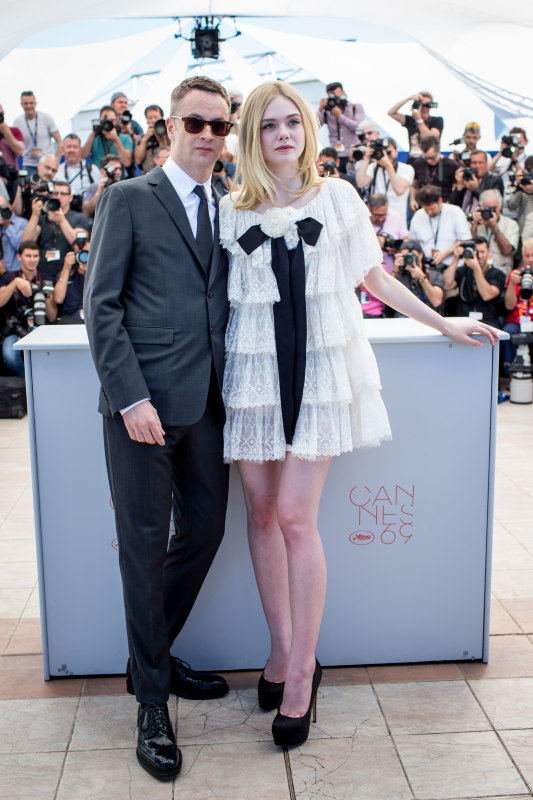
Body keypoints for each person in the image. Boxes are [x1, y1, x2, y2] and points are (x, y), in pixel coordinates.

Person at [219, 80, 498, 751]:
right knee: (258, 514)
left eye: (293, 122)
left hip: (319, 371)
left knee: (293, 517)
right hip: (254, 373)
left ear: (308, 130)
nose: (283, 134)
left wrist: (442, 322)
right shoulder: (230, 209)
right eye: (268, 126)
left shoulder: (338, 197)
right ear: (251, 137)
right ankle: (283, 653)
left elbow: (373, 279)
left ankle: (300, 679)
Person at [85, 75, 234, 783]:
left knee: (205, 530)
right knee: (141, 553)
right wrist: (129, 397)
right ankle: (151, 701)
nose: (209, 135)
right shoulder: (129, 199)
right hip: (141, 409)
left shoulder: (225, 207)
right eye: (197, 123)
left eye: (220, 126)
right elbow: (101, 306)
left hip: (206, 405)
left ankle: (151, 653)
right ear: (170, 127)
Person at [0, 240, 55, 375]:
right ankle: (26, 381)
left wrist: (46, 297)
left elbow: (52, 316)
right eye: (28, 256)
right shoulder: (9, 277)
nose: (32, 260)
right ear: (19, 257)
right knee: (9, 355)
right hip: (16, 329)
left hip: (41, 329)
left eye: (35, 256)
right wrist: (15, 284)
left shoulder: (46, 278)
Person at [22, 180, 90, 280]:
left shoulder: (79, 218)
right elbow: (26, 242)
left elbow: (80, 245)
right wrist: (35, 215)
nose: (59, 197)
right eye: (55, 193)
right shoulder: (42, 218)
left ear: (70, 197)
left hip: (69, 273)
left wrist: (62, 221)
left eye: (63, 194)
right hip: (43, 271)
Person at [444, 237, 505, 328]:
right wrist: (456, 258)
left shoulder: (497, 274)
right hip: (464, 320)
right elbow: (447, 285)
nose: (479, 256)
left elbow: (487, 295)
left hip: (487, 322)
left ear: (488, 252)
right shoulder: (464, 270)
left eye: (482, 252)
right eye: (476, 252)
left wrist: (476, 269)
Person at [409, 185, 471, 269]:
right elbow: (413, 242)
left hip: (451, 265)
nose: (429, 213)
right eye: (426, 210)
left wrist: (445, 253)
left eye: (432, 209)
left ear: (440, 201)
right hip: (426, 265)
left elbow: (465, 239)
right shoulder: (418, 216)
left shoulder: (455, 212)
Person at [355, 137, 414, 220]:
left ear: (396, 152)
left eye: (389, 152)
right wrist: (366, 159)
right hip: (377, 218)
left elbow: (399, 190)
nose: (385, 155)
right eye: (383, 152)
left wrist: (388, 166)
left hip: (397, 219)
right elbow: (360, 183)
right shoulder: (374, 167)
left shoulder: (407, 169)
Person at [469, 189, 519, 276]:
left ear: (500, 207)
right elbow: (469, 247)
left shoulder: (511, 224)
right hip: (479, 272)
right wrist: (474, 224)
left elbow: (507, 251)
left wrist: (495, 228)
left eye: (493, 208)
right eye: (487, 209)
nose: (490, 212)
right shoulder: (478, 224)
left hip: (501, 271)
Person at [318, 81, 365, 173]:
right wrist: (320, 109)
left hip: (352, 154)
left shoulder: (355, 107)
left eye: (336, 94)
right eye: (331, 95)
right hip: (335, 155)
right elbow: (315, 126)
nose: (335, 98)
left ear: (343, 93)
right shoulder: (327, 111)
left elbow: (359, 127)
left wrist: (339, 116)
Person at [501, 240, 533, 371]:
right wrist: (513, 283)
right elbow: (509, 305)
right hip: (517, 321)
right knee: (507, 334)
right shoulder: (516, 274)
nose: (531, 259)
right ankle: (510, 375)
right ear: (522, 256)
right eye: (527, 256)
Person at [12, 91, 62, 174]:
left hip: (47, 164)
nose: (29, 106)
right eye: (26, 103)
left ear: (35, 103)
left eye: (31, 103)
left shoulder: (46, 118)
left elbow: (59, 140)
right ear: (21, 104)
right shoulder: (17, 122)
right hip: (29, 165)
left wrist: (57, 161)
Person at [387, 91, 443, 161]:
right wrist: (409, 98)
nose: (424, 108)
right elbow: (391, 113)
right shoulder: (411, 121)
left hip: (430, 161)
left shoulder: (437, 120)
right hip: (413, 161)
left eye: (427, 105)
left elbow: (432, 138)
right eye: (421, 105)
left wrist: (419, 120)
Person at [392, 240, 444, 312]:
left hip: (427, 316)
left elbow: (436, 301)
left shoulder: (434, 274)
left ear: (421, 255)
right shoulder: (398, 274)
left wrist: (422, 278)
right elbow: (388, 296)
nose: (409, 259)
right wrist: (395, 270)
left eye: (412, 256)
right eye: (406, 256)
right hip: (403, 316)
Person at [80, 105, 133, 173]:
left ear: (117, 120)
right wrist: (94, 133)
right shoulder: (95, 138)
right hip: (98, 178)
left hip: (118, 179)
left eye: (111, 120)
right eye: (105, 120)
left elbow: (127, 162)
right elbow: (82, 157)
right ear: (100, 120)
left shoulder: (125, 138)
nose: (108, 123)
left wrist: (116, 140)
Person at [450, 150, 504, 215]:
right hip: (463, 217)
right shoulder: (465, 177)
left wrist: (475, 189)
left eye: (480, 162)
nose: (477, 166)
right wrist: (459, 186)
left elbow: (492, 204)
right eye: (474, 163)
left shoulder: (495, 179)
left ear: (486, 163)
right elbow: (453, 205)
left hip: (482, 220)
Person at [411, 135, 457, 210]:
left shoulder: (451, 165)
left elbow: (456, 188)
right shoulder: (418, 163)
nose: (429, 161)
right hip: (422, 206)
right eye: (426, 158)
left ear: (438, 151)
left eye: (432, 157)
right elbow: (414, 186)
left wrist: (451, 202)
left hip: (443, 206)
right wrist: (412, 200)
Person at [55, 134, 101, 202]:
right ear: (62, 149)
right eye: (69, 147)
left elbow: (100, 192)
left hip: (88, 209)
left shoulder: (92, 170)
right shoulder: (56, 171)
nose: (72, 150)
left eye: (75, 147)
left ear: (80, 149)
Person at [134, 105, 170, 175]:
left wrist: (161, 140)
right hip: (146, 175)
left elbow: (169, 157)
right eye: (150, 118)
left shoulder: (170, 136)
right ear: (146, 120)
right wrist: (145, 139)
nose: (153, 120)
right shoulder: (141, 138)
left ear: (162, 118)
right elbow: (137, 161)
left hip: (165, 173)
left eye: (156, 117)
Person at [0, 197, 27, 272]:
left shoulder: (22, 223)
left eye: (2, 208)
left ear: (10, 207)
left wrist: (8, 225)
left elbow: (21, 247)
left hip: (16, 272)